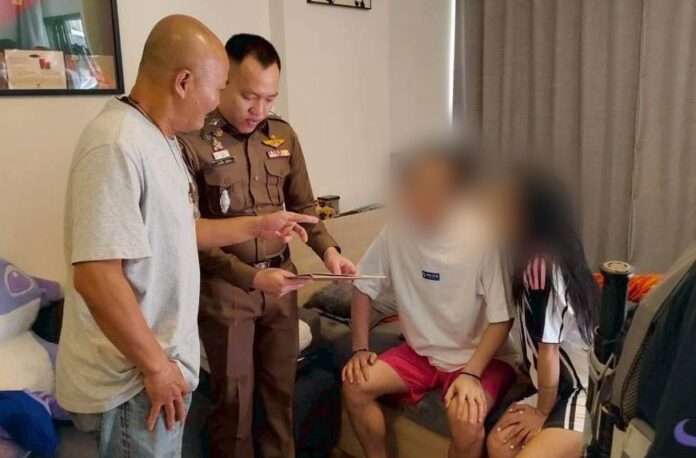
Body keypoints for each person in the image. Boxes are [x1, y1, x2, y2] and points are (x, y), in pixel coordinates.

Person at [56, 16, 318, 458]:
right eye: (218, 87)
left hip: (156, 370)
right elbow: (96, 276)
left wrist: (259, 224)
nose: (217, 101)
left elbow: (184, 230)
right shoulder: (115, 144)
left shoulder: (161, 139)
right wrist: (156, 368)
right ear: (183, 82)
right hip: (132, 382)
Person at [177, 34, 356, 458]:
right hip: (225, 291)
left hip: (282, 285)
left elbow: (305, 207)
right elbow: (188, 234)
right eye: (249, 96)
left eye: (269, 99)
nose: (259, 110)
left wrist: (330, 252)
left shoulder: (282, 136)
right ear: (223, 81)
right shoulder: (192, 140)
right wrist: (253, 278)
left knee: (280, 395)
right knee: (234, 403)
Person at [342, 144, 517, 458]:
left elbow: (502, 318)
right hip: (420, 353)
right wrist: (359, 348)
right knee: (355, 386)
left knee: (466, 421)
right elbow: (363, 285)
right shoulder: (396, 230)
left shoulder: (482, 237)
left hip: (480, 358)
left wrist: (470, 374)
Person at [486, 171, 597, 458]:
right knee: (499, 444)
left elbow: (548, 351)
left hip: (577, 392)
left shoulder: (543, 266)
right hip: (553, 387)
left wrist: (541, 413)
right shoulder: (529, 257)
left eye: (506, 208)